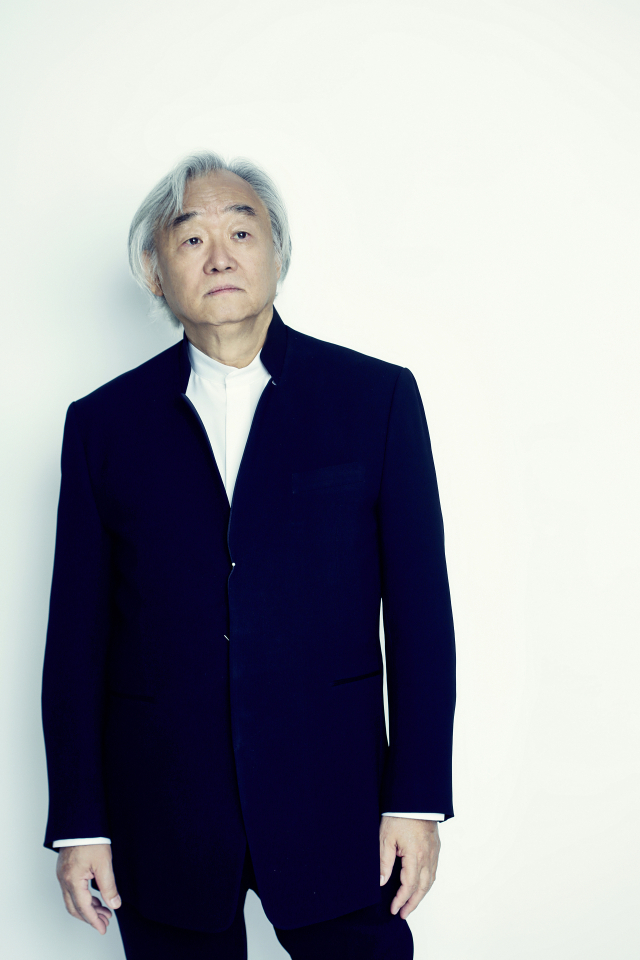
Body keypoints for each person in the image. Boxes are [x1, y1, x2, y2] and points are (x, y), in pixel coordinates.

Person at [41, 151, 456, 959]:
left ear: (277, 253)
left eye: (241, 231)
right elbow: (77, 639)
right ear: (156, 272)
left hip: (335, 799)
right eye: (190, 238)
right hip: (163, 807)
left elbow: (420, 617)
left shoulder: (375, 400)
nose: (220, 256)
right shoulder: (103, 425)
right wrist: (80, 822)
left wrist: (416, 799)